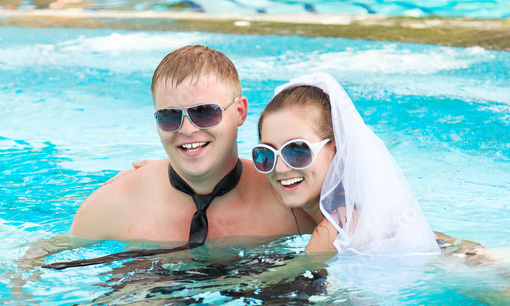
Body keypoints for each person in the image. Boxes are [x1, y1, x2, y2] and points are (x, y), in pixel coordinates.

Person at [67, 45, 316, 248]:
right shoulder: (117, 203)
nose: (186, 130)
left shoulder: (289, 199)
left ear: (240, 112)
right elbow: (41, 256)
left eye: (205, 112)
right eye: (169, 116)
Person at [253, 71, 480, 257]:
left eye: (297, 150)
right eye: (266, 154)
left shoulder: (331, 235)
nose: (280, 168)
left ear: (336, 149)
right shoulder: (366, 213)